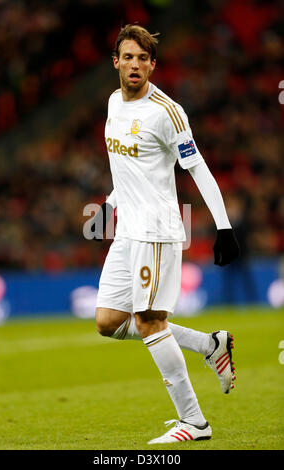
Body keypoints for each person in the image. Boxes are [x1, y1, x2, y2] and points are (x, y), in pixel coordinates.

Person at [89, 24, 239, 444]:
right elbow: (131, 168)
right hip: (128, 231)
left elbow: (198, 168)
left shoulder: (166, 112)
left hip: (157, 230)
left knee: (151, 322)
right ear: (116, 61)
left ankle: (194, 421)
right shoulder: (114, 103)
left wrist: (224, 226)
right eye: (128, 57)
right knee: (108, 322)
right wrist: (110, 203)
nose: (135, 65)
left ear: (153, 65)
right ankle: (210, 345)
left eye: (143, 58)